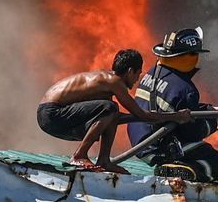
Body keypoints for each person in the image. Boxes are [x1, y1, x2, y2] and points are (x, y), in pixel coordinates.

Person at [37, 49, 191, 172]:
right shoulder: (114, 82)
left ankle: (104, 160)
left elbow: (114, 118)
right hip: (51, 113)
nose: (138, 79)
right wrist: (176, 116)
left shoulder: (106, 83)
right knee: (111, 108)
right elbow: (141, 114)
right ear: (130, 71)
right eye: (138, 73)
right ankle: (79, 155)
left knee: (111, 112)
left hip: (52, 116)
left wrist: (143, 117)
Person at [127, 26, 218, 182]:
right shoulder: (185, 89)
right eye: (195, 54)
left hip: (139, 140)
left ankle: (172, 165)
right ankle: (184, 170)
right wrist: (213, 121)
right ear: (188, 57)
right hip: (160, 145)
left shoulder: (153, 72)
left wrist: (212, 110)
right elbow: (192, 132)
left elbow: (177, 107)